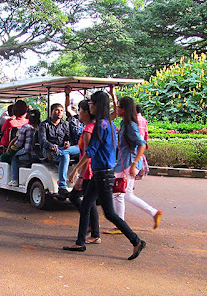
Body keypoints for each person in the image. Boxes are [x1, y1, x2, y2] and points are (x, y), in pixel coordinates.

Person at [63, 91, 146, 260]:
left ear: (97, 104)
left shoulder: (102, 124)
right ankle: (80, 242)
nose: (89, 106)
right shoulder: (107, 123)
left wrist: (75, 170)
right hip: (102, 173)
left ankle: (136, 240)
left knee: (109, 213)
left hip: (102, 174)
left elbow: (91, 150)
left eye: (91, 103)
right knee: (86, 204)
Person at [105, 96, 162, 234]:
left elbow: (142, 144)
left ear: (124, 109)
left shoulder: (130, 124)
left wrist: (134, 164)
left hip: (128, 162)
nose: (116, 109)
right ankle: (153, 213)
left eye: (118, 107)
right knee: (126, 194)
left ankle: (119, 225)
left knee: (119, 194)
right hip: (125, 162)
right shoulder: (125, 123)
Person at [67, 100, 100, 243]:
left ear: (86, 112)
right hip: (90, 170)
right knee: (88, 202)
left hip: (88, 171)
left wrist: (79, 174)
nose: (78, 112)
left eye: (79, 110)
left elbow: (88, 155)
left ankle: (93, 232)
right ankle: (93, 230)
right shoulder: (92, 127)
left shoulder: (88, 130)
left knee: (81, 200)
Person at [38, 103, 80, 196]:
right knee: (64, 156)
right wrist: (51, 145)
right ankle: (62, 187)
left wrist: (67, 143)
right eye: (57, 110)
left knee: (81, 149)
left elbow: (68, 138)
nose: (59, 112)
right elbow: (42, 140)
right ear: (51, 112)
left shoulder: (65, 124)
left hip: (62, 149)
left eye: (61, 110)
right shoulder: (44, 125)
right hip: (49, 150)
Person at [0, 101, 28, 180]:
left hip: (3, 148)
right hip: (20, 147)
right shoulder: (28, 122)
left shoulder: (10, 122)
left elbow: (2, 131)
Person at [8, 109, 41, 187]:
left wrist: (11, 148)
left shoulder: (26, 127)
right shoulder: (41, 127)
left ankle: (14, 180)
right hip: (40, 154)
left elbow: (19, 144)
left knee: (14, 157)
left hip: (28, 153)